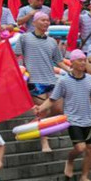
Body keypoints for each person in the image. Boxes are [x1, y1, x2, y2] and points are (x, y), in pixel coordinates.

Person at [38, 50, 91, 181]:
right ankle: (70, 160)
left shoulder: (89, 79)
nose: (83, 63)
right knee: (80, 148)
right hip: (73, 119)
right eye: (80, 60)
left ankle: (84, 177)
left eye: (84, 60)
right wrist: (40, 108)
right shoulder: (63, 81)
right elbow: (52, 99)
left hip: (88, 118)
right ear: (72, 63)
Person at [14, 11, 67, 152]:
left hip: (52, 80)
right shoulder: (24, 38)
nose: (46, 22)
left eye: (47, 20)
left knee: (58, 109)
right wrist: (20, 74)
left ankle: (36, 126)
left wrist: (70, 70)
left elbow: (59, 61)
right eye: (43, 20)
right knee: (43, 111)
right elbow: (17, 56)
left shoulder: (52, 41)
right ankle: (45, 142)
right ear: (34, 22)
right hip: (35, 81)